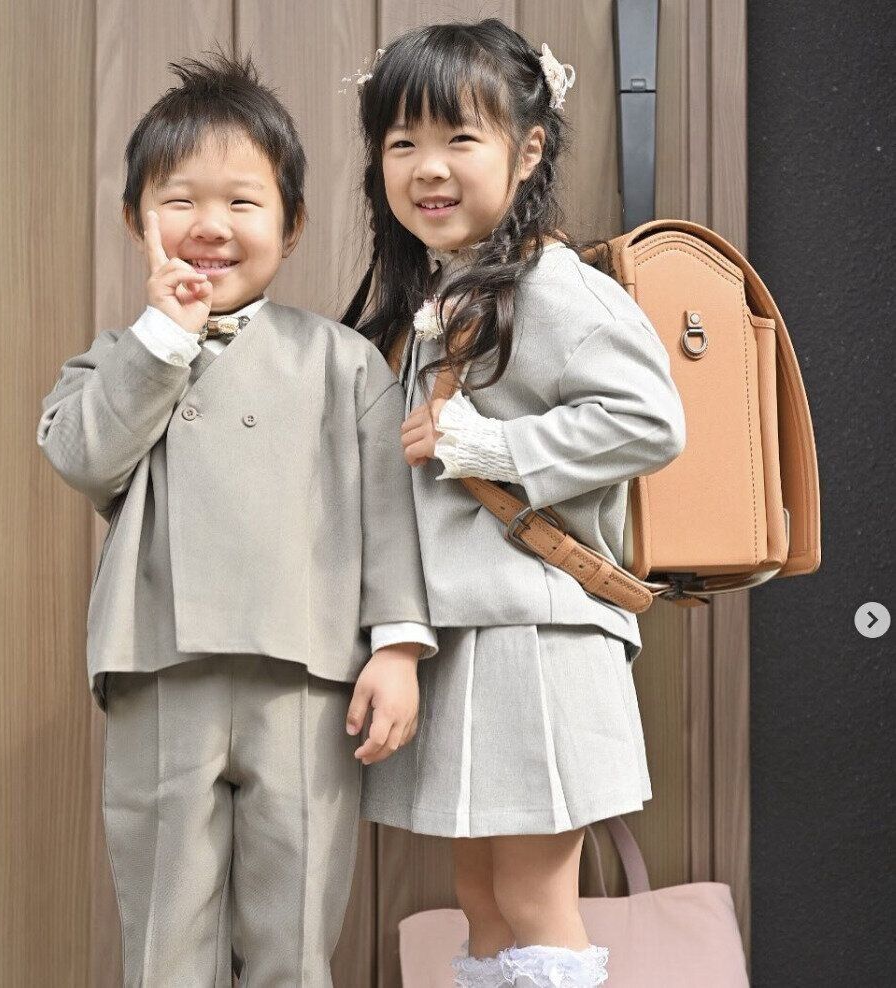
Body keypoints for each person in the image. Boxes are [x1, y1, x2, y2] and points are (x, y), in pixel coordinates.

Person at [37, 52, 435, 987]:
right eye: (179, 200)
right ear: (136, 218)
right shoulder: (117, 359)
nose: (210, 226)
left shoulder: (342, 362)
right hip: (159, 662)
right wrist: (162, 340)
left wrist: (398, 646)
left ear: (291, 227)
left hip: (306, 672)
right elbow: (85, 456)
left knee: (294, 929)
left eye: (243, 203)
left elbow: (389, 516)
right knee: (164, 935)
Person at [342, 20, 686, 988]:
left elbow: (652, 420)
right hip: (473, 637)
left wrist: (494, 447)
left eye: (460, 137)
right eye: (402, 142)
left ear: (528, 149)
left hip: (536, 637)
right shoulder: (445, 293)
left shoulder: (553, 286)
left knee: (534, 901)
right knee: (487, 902)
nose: (428, 167)